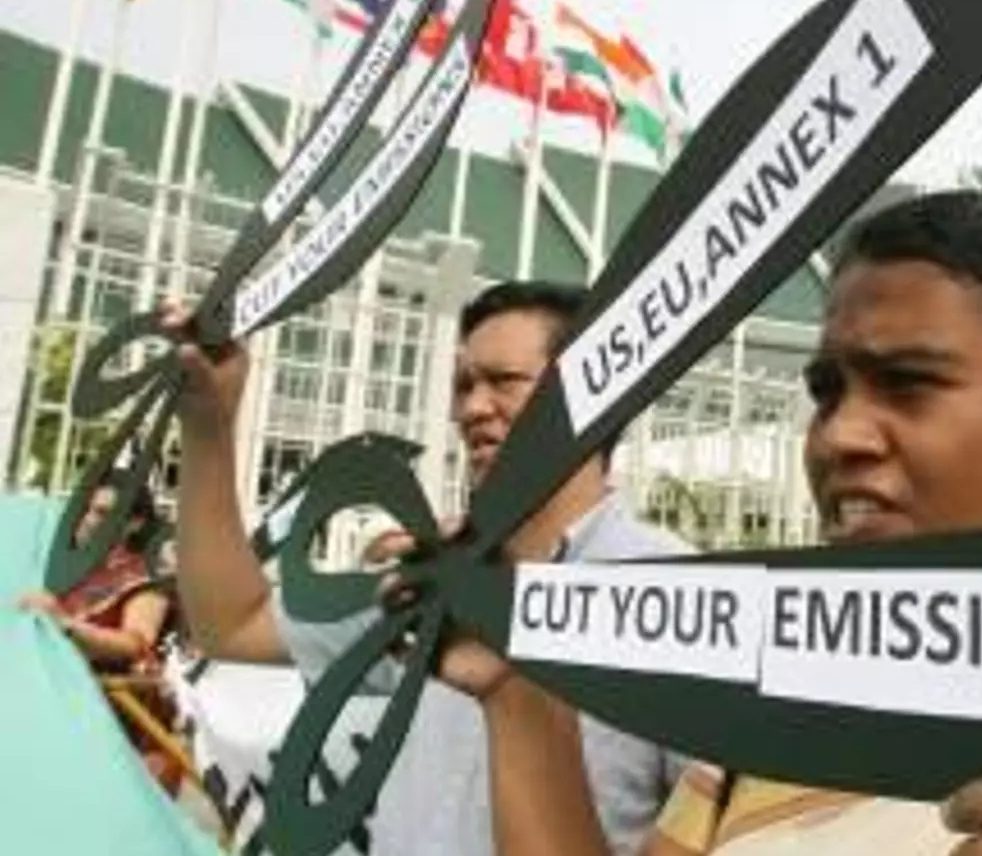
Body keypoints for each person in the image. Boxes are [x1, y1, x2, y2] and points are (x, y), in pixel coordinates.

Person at [468, 191, 982, 856]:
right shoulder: (768, 731)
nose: (838, 436)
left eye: (909, 382)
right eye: (828, 392)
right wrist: (519, 694)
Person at [163, 280, 695, 856]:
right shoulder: (437, 579)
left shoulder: (685, 607)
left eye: (504, 381)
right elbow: (231, 624)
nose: (472, 409)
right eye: (464, 386)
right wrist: (209, 425)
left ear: (596, 390)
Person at [17, 470, 184, 795]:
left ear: (134, 523)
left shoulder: (143, 579)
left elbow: (136, 644)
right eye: (87, 509)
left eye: (103, 513)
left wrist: (66, 625)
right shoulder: (55, 569)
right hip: (47, 715)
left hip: (112, 728)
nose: (89, 520)